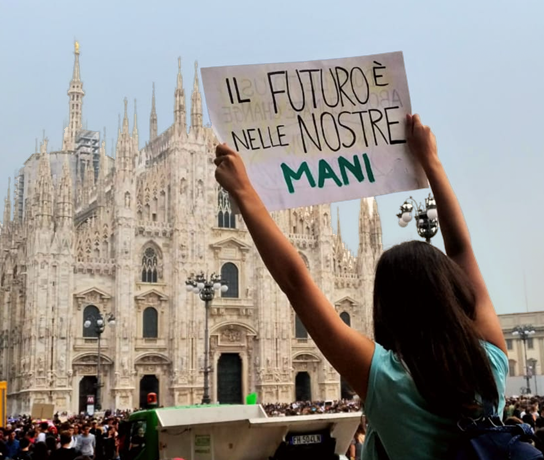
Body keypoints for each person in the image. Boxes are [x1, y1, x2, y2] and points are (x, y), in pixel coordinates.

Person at [213, 113, 509, 459]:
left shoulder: (387, 380)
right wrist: (431, 160)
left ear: (387, 311)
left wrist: (243, 190)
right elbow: (460, 249)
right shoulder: (491, 361)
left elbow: (295, 282)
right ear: (454, 292)